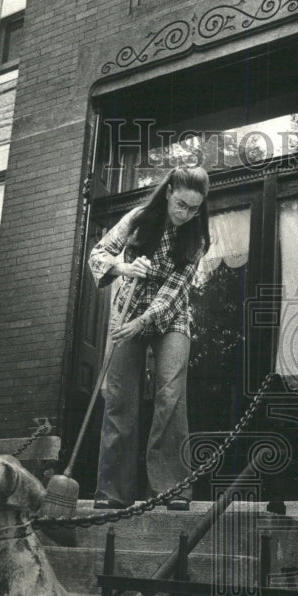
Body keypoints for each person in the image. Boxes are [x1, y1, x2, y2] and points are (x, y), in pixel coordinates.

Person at [88, 166, 211, 511]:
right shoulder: (139, 218)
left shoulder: (197, 238)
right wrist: (123, 267)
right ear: (169, 191)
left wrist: (144, 322)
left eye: (194, 208)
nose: (186, 214)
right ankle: (112, 492)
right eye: (181, 204)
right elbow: (98, 254)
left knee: (170, 394)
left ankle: (170, 491)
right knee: (120, 398)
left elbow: (174, 291)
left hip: (170, 316)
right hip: (128, 309)